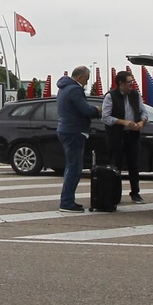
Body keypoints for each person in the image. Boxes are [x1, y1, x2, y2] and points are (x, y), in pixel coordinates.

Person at [55, 65, 99, 212]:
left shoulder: (63, 89)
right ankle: (67, 202)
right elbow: (85, 109)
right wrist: (96, 110)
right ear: (79, 77)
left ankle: (67, 200)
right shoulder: (75, 89)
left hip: (65, 129)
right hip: (75, 131)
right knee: (74, 167)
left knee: (71, 166)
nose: (86, 82)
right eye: (86, 79)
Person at [102, 69, 147, 203]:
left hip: (132, 135)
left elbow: (143, 112)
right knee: (115, 165)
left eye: (132, 82)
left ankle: (135, 193)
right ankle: (114, 194)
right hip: (116, 135)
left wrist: (141, 122)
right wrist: (123, 122)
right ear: (121, 83)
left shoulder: (135, 95)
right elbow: (105, 117)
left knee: (133, 164)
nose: (131, 85)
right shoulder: (111, 96)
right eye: (128, 82)